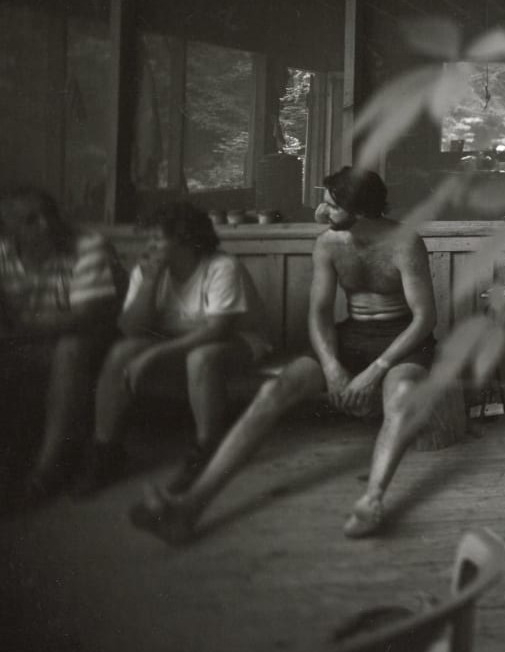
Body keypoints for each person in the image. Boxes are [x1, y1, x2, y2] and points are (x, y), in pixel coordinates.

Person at [130, 167, 439, 544]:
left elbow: (424, 319)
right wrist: (331, 366)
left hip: (403, 339)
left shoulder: (405, 243)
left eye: (331, 205)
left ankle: (371, 500)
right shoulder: (328, 243)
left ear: (360, 211)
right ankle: (190, 506)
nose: (320, 213)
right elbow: (320, 312)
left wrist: (376, 370)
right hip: (351, 334)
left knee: (402, 396)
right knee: (272, 393)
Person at [82, 201, 272, 498]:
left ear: (184, 238)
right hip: (175, 340)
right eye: (150, 238)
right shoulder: (149, 270)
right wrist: (149, 282)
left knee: (201, 357)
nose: (151, 245)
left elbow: (217, 330)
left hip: (238, 341)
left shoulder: (221, 266)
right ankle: (106, 449)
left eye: (158, 238)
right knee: (121, 352)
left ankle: (207, 448)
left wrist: (153, 355)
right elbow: (131, 329)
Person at [0, 187, 122, 505]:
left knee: (71, 347)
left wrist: (18, 328)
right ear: (8, 228)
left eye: (49, 214)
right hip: (30, 343)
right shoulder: (2, 252)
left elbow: (85, 317)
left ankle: (46, 471)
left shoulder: (88, 246)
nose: (46, 225)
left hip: (95, 344)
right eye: (31, 220)